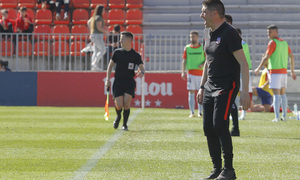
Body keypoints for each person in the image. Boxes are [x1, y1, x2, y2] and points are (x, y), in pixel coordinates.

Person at [197, 0, 251, 179]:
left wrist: (245, 92)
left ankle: (229, 169)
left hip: (227, 86)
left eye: (203, 11)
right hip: (210, 86)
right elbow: (207, 61)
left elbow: (243, 63)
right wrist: (201, 86)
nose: (201, 15)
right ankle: (217, 169)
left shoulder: (230, 33)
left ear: (214, 13)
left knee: (219, 124)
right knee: (208, 127)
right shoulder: (209, 33)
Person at [254, 25, 297, 122]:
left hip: (275, 72)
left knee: (276, 95)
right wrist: (292, 71)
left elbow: (266, 57)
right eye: (267, 32)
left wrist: (258, 68)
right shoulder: (284, 43)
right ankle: (284, 116)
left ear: (275, 33)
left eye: (269, 32)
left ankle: (277, 117)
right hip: (284, 72)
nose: (268, 34)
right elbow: (292, 56)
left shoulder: (272, 43)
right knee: (283, 94)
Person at [105, 31, 145, 131]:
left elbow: (142, 68)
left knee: (126, 104)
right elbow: (110, 66)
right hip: (118, 82)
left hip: (129, 82)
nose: (120, 40)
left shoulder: (135, 55)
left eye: (122, 38)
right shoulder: (117, 52)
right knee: (119, 105)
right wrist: (107, 80)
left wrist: (142, 73)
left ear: (129, 40)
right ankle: (118, 116)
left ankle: (125, 124)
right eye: (120, 38)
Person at [181, 30, 205, 118]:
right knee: (191, 92)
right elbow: (184, 60)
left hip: (201, 74)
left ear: (197, 37)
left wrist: (203, 64)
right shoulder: (187, 48)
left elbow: (208, 59)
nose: (192, 38)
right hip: (191, 73)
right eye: (191, 37)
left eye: (193, 37)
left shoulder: (202, 47)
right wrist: (183, 72)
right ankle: (192, 112)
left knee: (200, 93)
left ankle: (200, 112)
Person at [224, 14, 240, 136]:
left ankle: (234, 128)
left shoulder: (232, 35)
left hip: (231, 74)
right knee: (228, 103)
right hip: (225, 74)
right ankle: (233, 128)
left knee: (231, 102)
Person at [236, 28, 253, 121]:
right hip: (243, 69)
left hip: (241, 70)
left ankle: (243, 113)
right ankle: (241, 113)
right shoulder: (244, 43)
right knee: (240, 92)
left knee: (241, 92)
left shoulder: (240, 44)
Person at [88, 5, 109, 71]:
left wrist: (91, 30)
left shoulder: (94, 17)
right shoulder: (99, 18)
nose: (104, 11)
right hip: (97, 36)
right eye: (103, 10)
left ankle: (94, 67)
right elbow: (99, 27)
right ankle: (94, 63)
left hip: (94, 35)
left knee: (96, 51)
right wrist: (106, 32)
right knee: (103, 50)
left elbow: (88, 22)